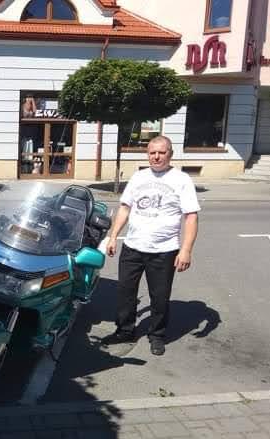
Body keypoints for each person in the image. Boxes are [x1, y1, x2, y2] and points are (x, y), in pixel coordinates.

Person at [103, 136, 200, 356]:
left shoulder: (181, 179)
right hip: (132, 247)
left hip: (164, 251)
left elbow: (191, 217)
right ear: (147, 154)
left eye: (161, 153)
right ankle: (125, 330)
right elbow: (125, 208)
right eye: (152, 153)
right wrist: (113, 236)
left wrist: (186, 250)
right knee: (125, 292)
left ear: (170, 154)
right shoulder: (139, 177)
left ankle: (157, 335)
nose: (156, 157)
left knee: (160, 296)